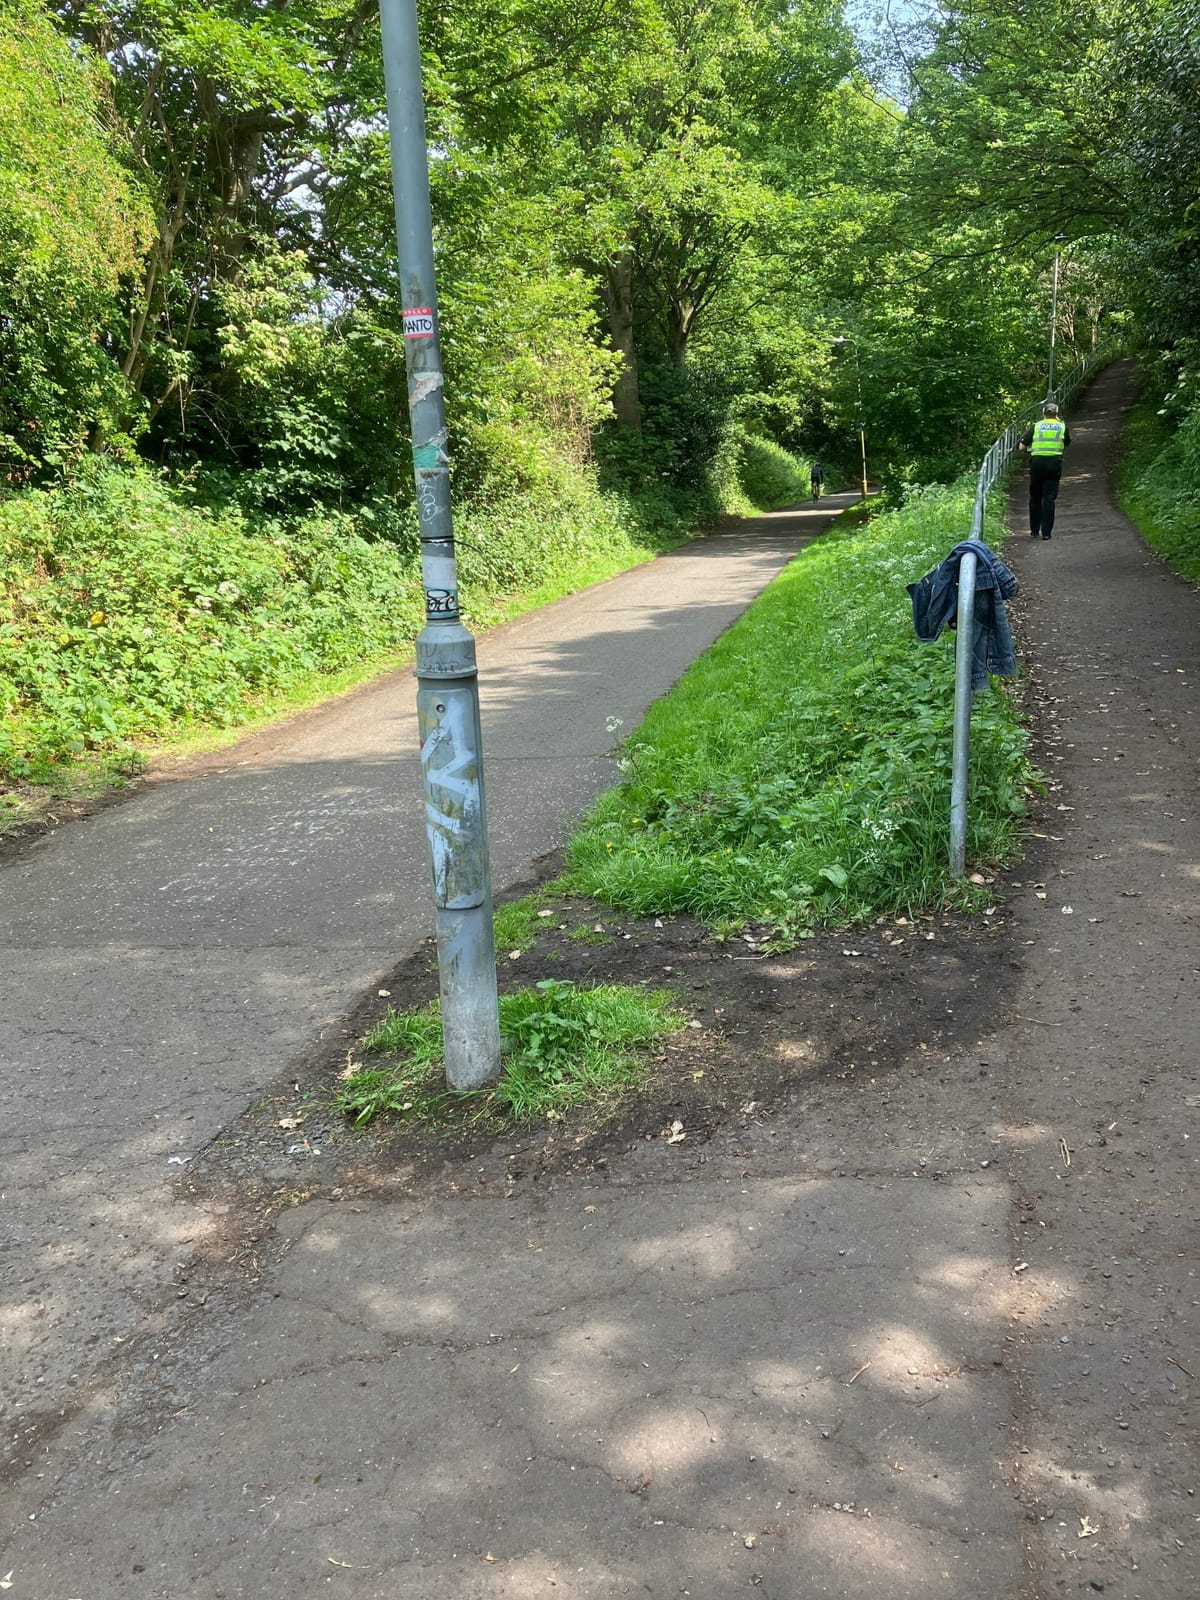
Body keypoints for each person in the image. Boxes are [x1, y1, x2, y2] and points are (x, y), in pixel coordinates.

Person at [1018, 400, 1071, 539]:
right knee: (1049, 498)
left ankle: (1034, 530)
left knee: (1035, 497)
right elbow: (1066, 443)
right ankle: (1046, 533)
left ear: (1043, 413)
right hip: (1054, 463)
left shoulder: (1036, 426)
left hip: (1037, 464)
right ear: (1057, 414)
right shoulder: (1062, 427)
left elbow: (1021, 447)